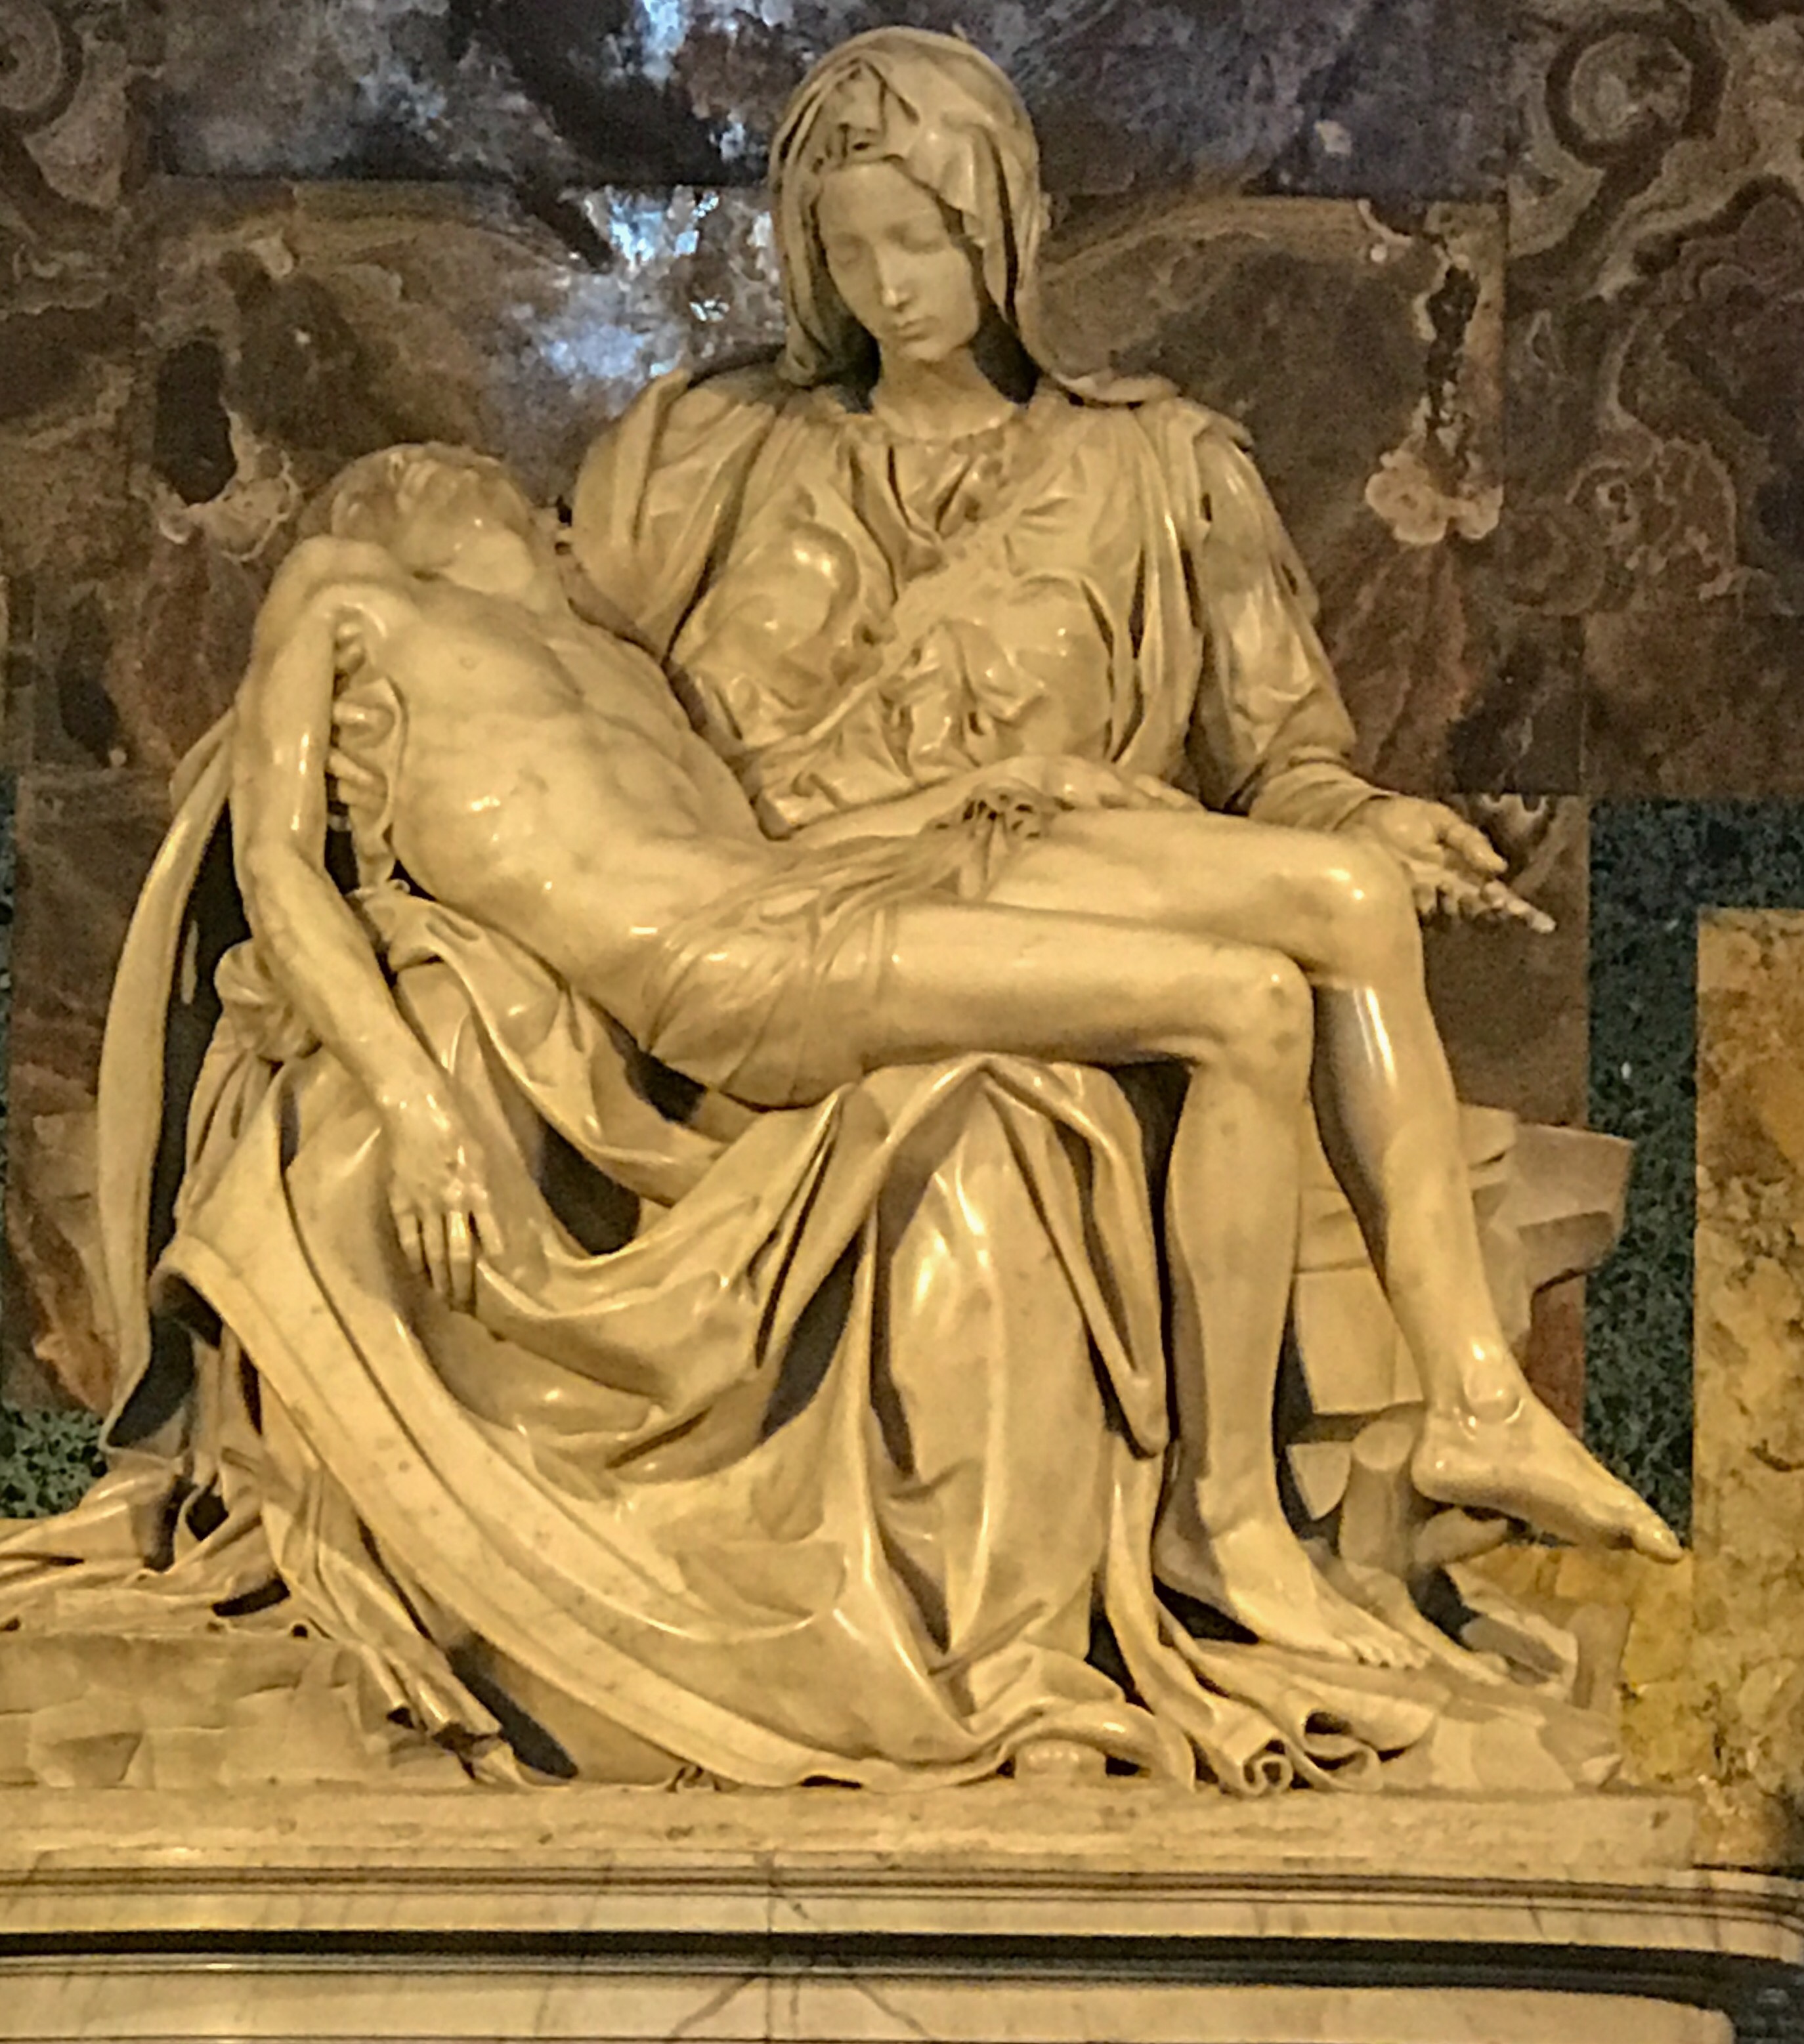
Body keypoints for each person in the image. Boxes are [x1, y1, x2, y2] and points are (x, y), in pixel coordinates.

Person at [560, 27, 1676, 1654]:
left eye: (923, 238)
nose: (891, 286)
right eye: (851, 250)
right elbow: (542, 675)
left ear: (1002, 230)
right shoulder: (710, 457)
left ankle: (1475, 1404)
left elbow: (1281, 758)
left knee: (1348, 885)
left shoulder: (1159, 466)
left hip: (1026, 857)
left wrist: (1367, 810)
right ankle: (1237, 1512)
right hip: (798, 894)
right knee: (1251, 987)